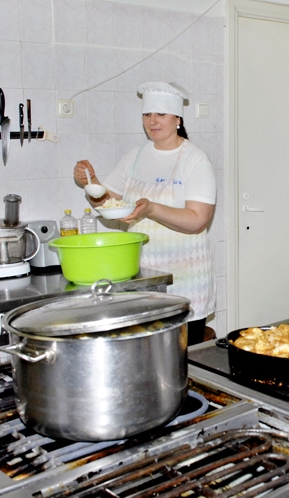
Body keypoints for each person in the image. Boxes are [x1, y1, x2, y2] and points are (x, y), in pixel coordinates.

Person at [73, 81, 216, 346]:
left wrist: (151, 208)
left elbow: (198, 220)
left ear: (177, 118)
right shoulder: (134, 156)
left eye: (161, 114)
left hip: (185, 280)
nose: (153, 121)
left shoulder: (195, 159)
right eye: (147, 114)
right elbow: (109, 204)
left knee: (184, 361)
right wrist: (90, 184)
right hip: (143, 279)